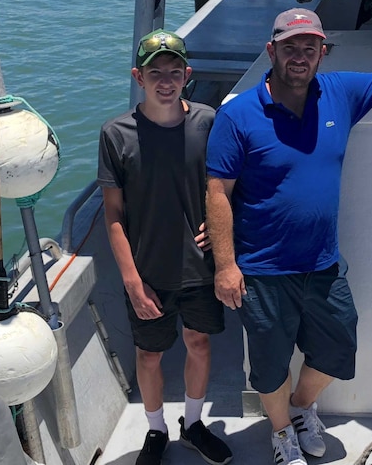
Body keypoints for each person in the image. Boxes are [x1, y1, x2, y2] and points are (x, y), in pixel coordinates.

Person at [205, 8, 372, 465]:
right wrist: (226, 266)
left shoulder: (339, 92)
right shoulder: (239, 114)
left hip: (322, 262)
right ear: (272, 51)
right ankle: (282, 433)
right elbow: (218, 193)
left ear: (322, 52)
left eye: (309, 48)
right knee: (268, 365)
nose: (299, 57)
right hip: (261, 269)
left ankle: (301, 407)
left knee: (340, 344)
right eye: (290, 48)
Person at [97, 29, 233, 465]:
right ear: (139, 76)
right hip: (147, 269)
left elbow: (226, 189)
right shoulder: (116, 134)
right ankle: (155, 431)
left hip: (199, 267)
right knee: (150, 353)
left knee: (199, 343)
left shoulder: (209, 122)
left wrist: (220, 232)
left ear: (187, 74)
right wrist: (132, 283)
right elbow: (113, 215)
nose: (166, 80)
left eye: (175, 71)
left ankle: (192, 424)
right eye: (156, 72)